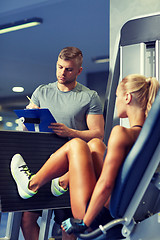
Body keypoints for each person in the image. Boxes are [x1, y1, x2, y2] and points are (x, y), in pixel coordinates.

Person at [11, 74, 159, 238]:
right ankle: (61, 181)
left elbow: (106, 184)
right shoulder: (148, 138)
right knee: (94, 144)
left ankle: (31, 184)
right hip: (119, 209)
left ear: (127, 97)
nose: (116, 101)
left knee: (76, 145)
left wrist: (84, 223)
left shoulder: (121, 133)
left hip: (97, 216)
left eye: (117, 96)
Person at [21, 46, 105, 240]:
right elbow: (26, 131)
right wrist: (28, 118)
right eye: (59, 67)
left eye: (68, 69)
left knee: (66, 225)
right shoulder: (41, 92)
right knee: (27, 219)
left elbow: (98, 135)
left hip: (71, 168)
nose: (62, 73)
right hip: (44, 162)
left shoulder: (89, 96)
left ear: (79, 71)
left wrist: (70, 132)